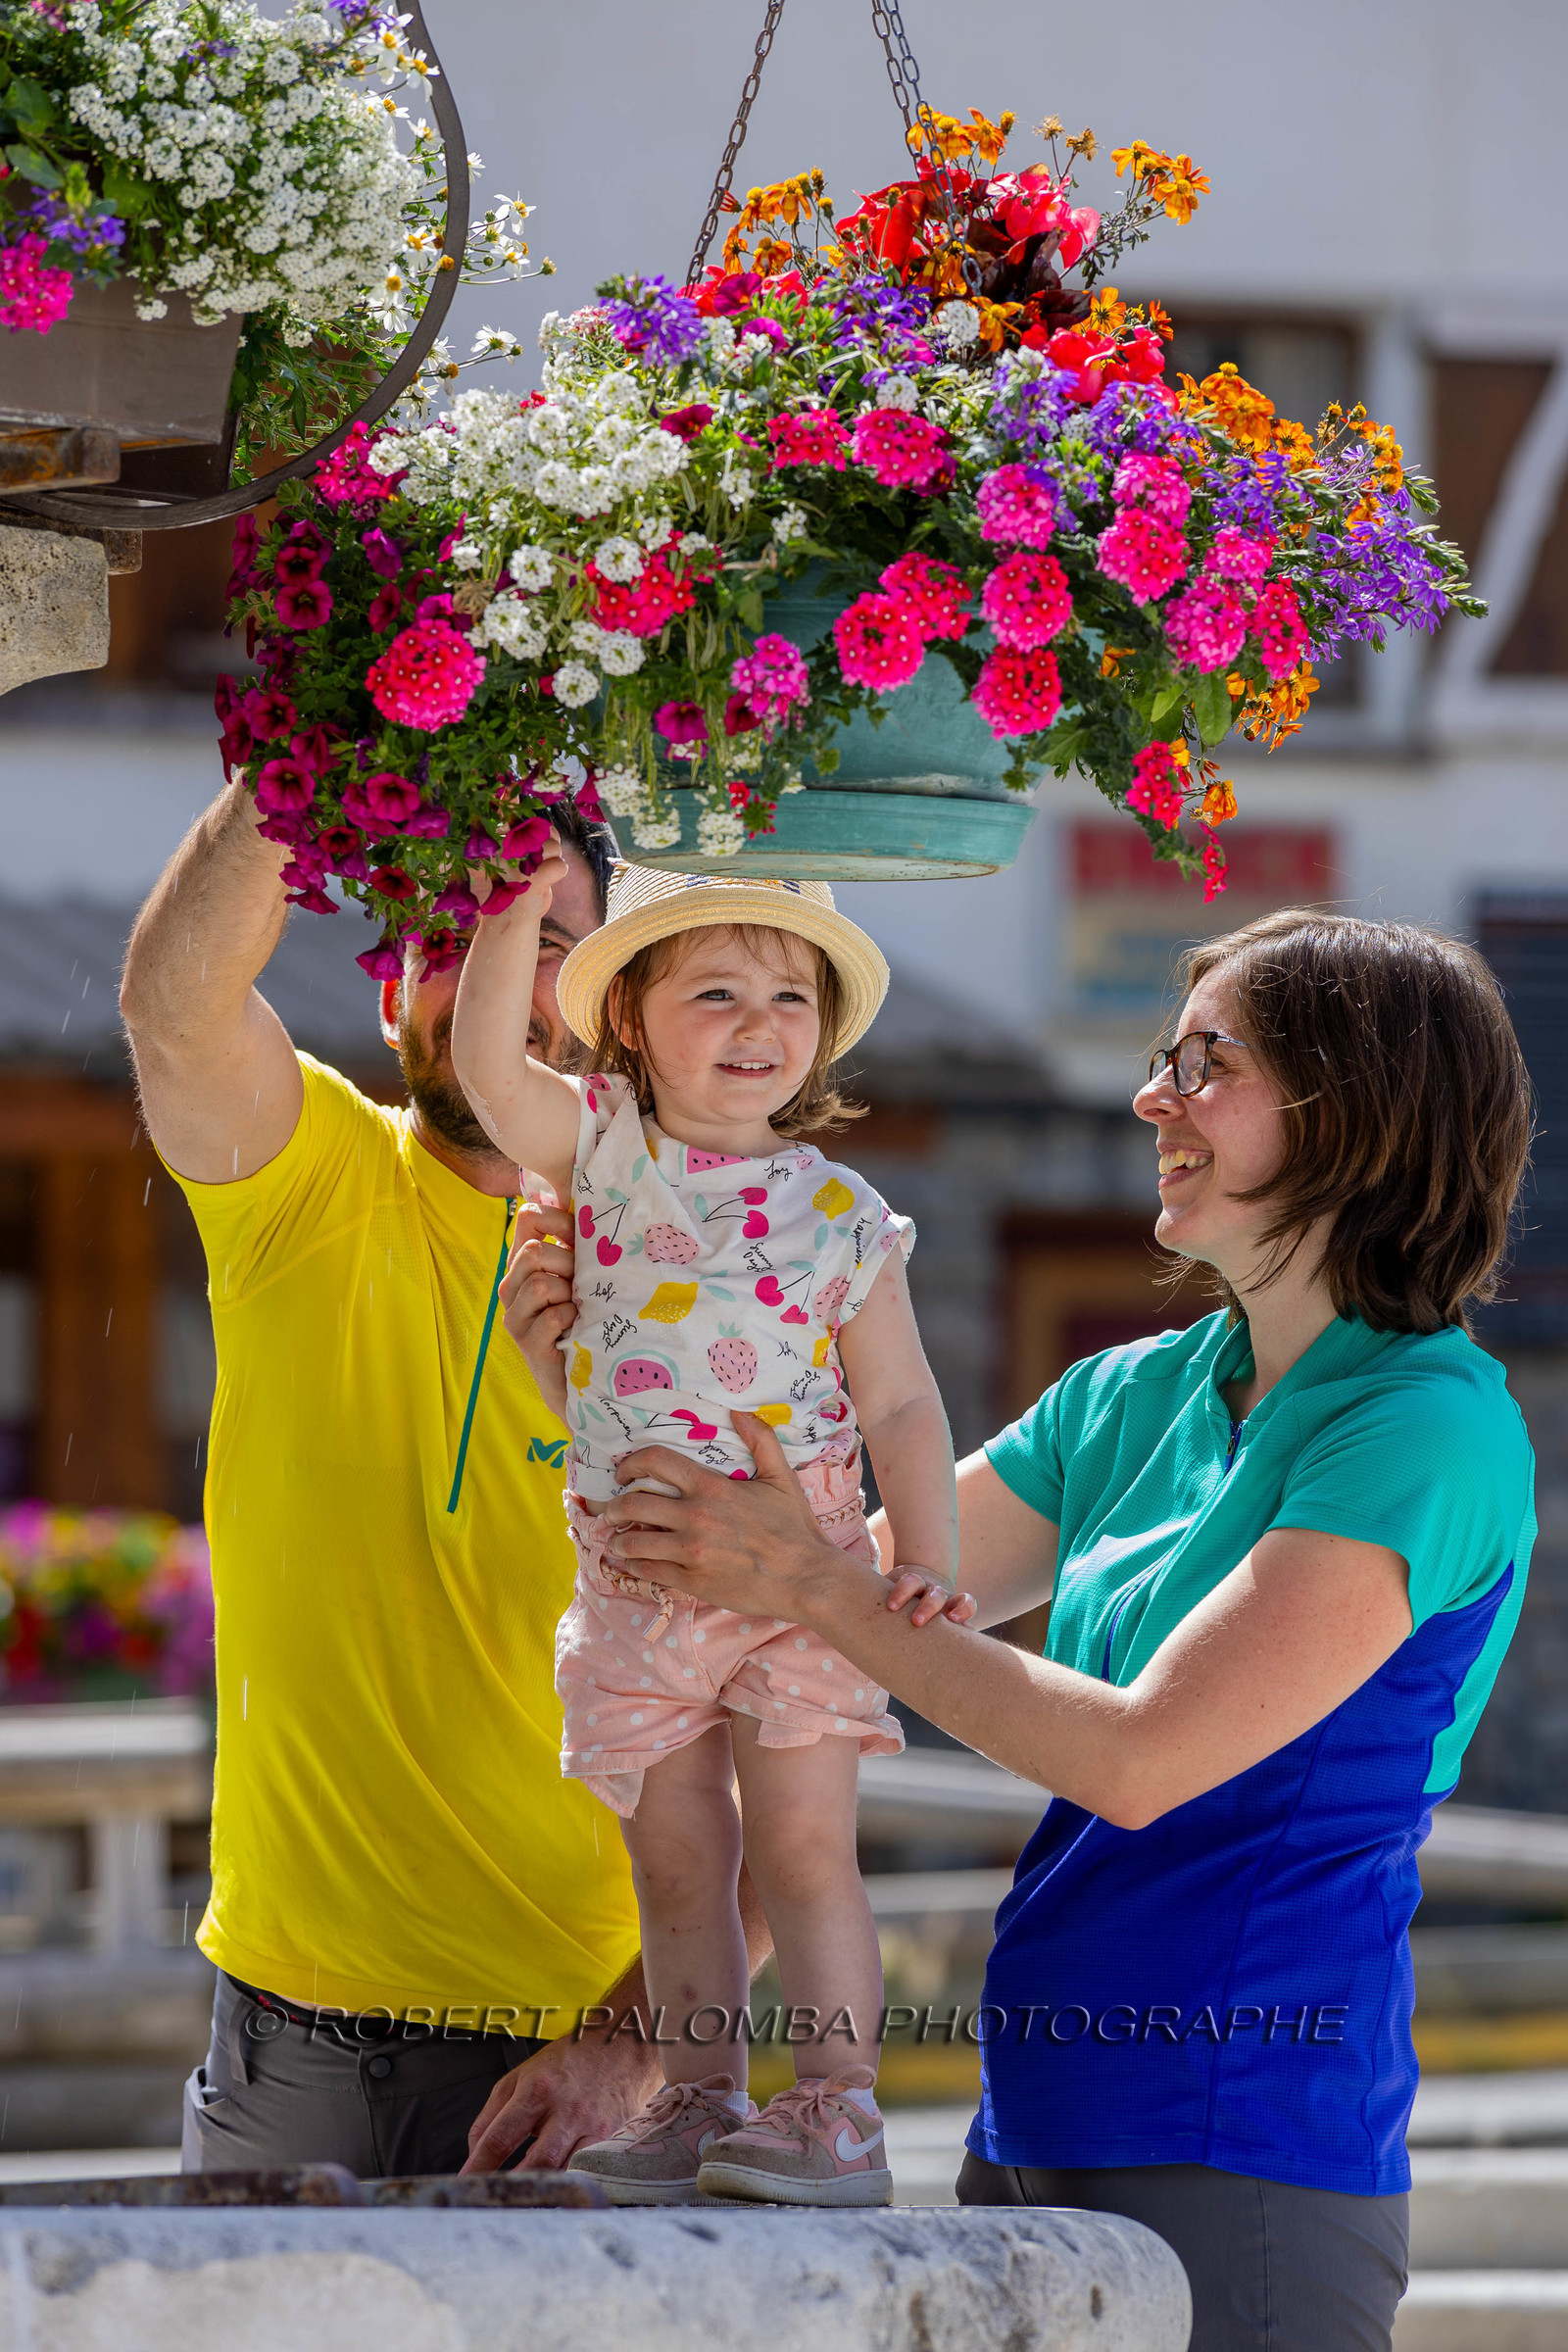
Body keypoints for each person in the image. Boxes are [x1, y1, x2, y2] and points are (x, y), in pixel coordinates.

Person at [504, 909, 1536, 2346]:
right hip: (1031, 2119)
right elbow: (783, 1659)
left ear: (1350, 1107)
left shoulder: (1424, 1428)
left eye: (1206, 1062)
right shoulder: (1136, 1396)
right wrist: (633, 2046)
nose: (1150, 1097)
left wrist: (807, 1582)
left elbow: (1141, 1758)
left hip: (1242, 2145)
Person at [120, 777, 767, 2179]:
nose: (488, 965)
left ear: (622, 998)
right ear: (388, 995)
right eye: (445, 930)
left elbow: (791, 1752)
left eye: (543, 931)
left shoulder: (726, 1283)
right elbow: (177, 1006)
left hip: (573, 2075)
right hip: (279, 2049)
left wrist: (628, 2040)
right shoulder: (312, 1183)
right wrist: (310, 747)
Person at [450, 856, 967, 2206]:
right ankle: (697, 2092)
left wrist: (926, 1558)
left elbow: (905, 1403)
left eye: (791, 996)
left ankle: (842, 2106)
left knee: (802, 1848)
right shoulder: (604, 1151)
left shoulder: (842, 1215)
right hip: (640, 1585)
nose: (759, 1025)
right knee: (677, 1857)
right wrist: (512, 903)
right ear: (626, 1018)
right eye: (718, 992)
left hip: (800, 1583)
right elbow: (490, 1072)